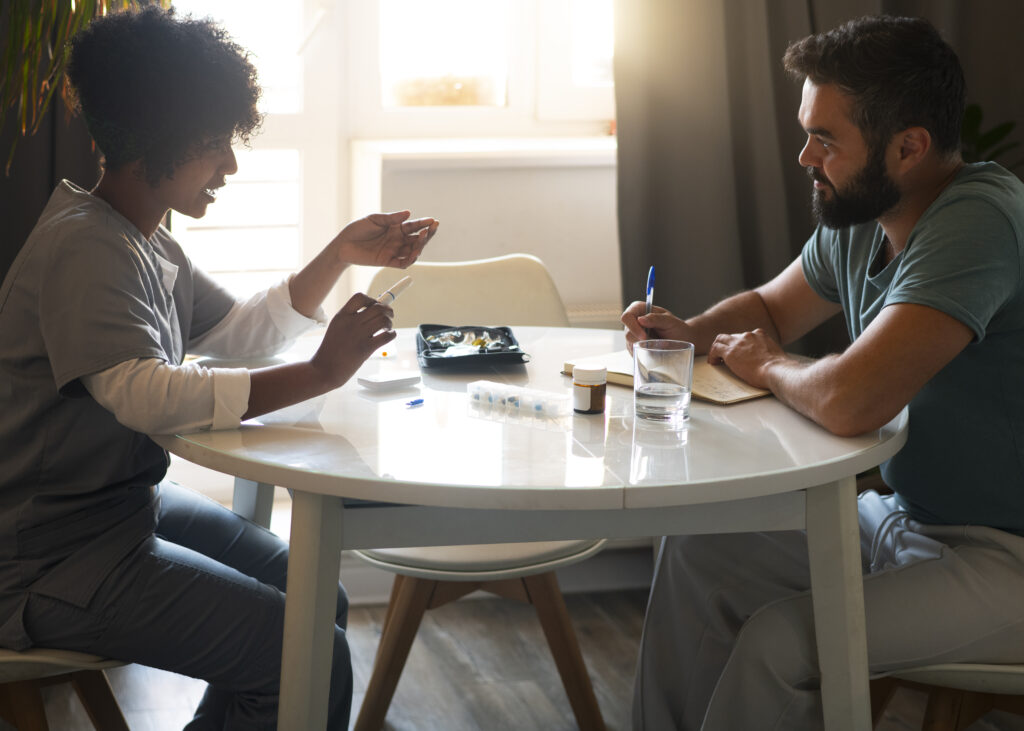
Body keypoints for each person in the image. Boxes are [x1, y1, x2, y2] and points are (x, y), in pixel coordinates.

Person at [0, 6, 437, 730]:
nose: (229, 167)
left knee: (315, 599)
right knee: (308, 657)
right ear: (153, 145)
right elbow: (145, 394)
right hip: (46, 555)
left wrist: (338, 254)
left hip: (113, 510)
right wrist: (322, 372)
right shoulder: (86, 249)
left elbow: (236, 332)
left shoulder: (141, 238)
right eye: (212, 146)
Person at [621, 14, 1024, 730]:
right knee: (699, 551)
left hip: (1003, 559)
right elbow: (770, 309)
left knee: (781, 643)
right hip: (903, 520)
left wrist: (768, 364)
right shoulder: (869, 213)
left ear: (909, 147)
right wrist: (685, 334)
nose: (805, 155)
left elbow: (851, 399)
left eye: (826, 138)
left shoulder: (979, 222)